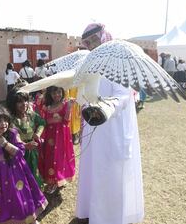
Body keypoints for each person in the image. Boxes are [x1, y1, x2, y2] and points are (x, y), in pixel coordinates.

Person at [76, 23, 144, 224]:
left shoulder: (118, 62)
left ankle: (111, 217)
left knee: (111, 172)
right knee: (93, 170)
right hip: (93, 124)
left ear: (104, 38)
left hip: (113, 126)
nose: (91, 46)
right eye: (87, 43)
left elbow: (124, 96)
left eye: (94, 41)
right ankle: (92, 211)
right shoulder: (91, 62)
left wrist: (106, 108)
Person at [0, 105, 47, 224]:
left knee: (20, 196)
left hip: (15, 172)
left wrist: (5, 143)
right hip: (0, 173)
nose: (3, 123)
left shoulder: (12, 133)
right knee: (3, 197)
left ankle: (30, 218)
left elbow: (20, 153)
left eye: (5, 119)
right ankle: (8, 218)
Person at [39, 86, 75, 194]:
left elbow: (66, 121)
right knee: (49, 157)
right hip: (49, 136)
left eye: (59, 92)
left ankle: (58, 179)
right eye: (54, 93)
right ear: (49, 94)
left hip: (61, 136)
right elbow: (43, 121)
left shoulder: (65, 104)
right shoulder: (46, 107)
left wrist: (69, 108)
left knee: (59, 157)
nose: (57, 95)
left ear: (62, 92)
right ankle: (52, 180)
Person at [6, 91, 45, 188]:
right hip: (18, 153)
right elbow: (8, 139)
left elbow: (42, 122)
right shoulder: (9, 119)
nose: (24, 104)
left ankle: (36, 192)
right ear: (13, 104)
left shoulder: (31, 114)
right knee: (21, 176)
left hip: (33, 150)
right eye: (20, 102)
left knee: (34, 171)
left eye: (26, 101)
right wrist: (25, 146)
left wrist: (38, 134)